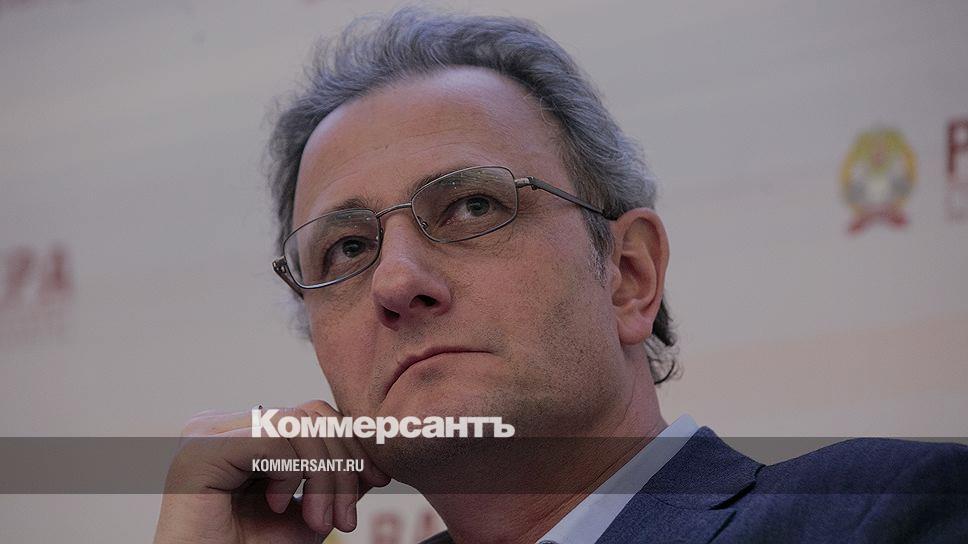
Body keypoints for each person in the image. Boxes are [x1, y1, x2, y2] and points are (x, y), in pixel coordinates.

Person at [154, 7, 968, 544]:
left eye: (471, 206)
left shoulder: (884, 517)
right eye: (346, 250)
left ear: (629, 276)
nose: (396, 282)